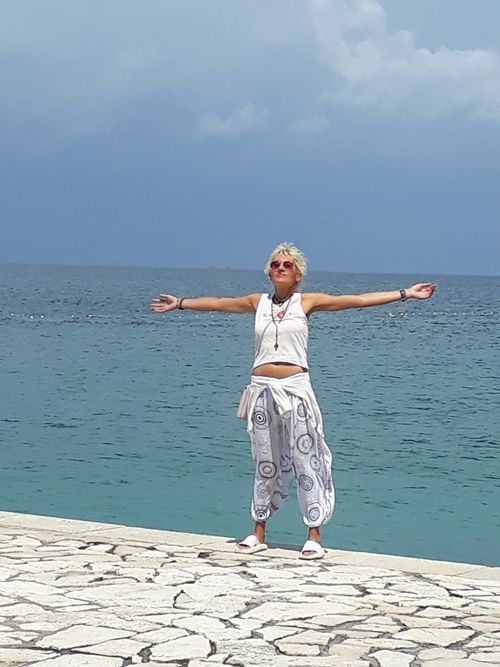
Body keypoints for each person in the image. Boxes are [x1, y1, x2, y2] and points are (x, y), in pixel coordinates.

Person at [150, 242, 436, 560]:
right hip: (262, 389)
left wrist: (406, 294)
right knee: (266, 461)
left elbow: (357, 300)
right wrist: (180, 304)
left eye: (287, 264)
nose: (281, 268)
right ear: (269, 272)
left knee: (306, 458)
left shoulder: (307, 302)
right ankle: (259, 531)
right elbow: (218, 304)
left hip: (295, 389)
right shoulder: (257, 302)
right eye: (275, 264)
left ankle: (313, 534)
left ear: (298, 273)